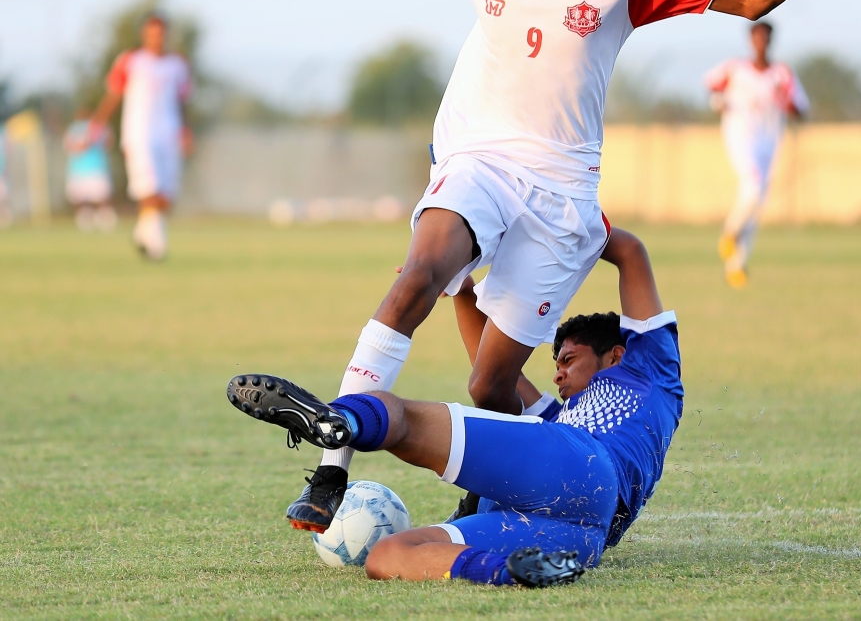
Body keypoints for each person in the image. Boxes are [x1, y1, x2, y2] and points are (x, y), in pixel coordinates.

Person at [255, 0, 846, 530]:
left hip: (562, 199)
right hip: (478, 161)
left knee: (491, 383)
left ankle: (504, 481)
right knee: (419, 273)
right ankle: (332, 466)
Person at [227, 227, 682, 587]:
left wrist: (568, 222)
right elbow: (492, 378)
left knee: (396, 414)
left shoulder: (650, 370)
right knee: (388, 557)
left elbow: (630, 250)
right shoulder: (555, 416)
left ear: (616, 356)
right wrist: (463, 289)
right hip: (583, 537)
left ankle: (340, 422)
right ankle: (510, 572)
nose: (557, 373)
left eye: (568, 360)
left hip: (581, 465)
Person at [704, 22, 810, 288]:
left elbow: (801, 109)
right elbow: (712, 88)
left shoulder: (781, 74)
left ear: (771, 40)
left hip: (770, 141)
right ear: (751, 40)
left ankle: (736, 265)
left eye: (766, 37)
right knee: (751, 186)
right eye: (757, 36)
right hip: (740, 137)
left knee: (757, 201)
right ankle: (729, 235)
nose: (761, 41)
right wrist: (718, 102)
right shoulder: (735, 68)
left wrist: (786, 102)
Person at [88, 14, 193, 260]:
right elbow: (113, 95)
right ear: (144, 35)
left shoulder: (178, 65)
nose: (157, 38)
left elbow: (183, 101)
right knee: (150, 188)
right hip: (139, 132)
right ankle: (157, 246)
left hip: (169, 131)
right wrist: (96, 125)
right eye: (152, 33)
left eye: (161, 33)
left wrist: (186, 130)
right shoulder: (131, 61)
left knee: (166, 195)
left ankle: (142, 233)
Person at [64, 111, 117, 232]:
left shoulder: (99, 127)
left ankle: (106, 220)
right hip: (77, 169)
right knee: (80, 198)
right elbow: (69, 145)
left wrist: (91, 141)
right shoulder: (74, 128)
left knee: (101, 197)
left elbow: (108, 142)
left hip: (96, 167)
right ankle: (85, 221)